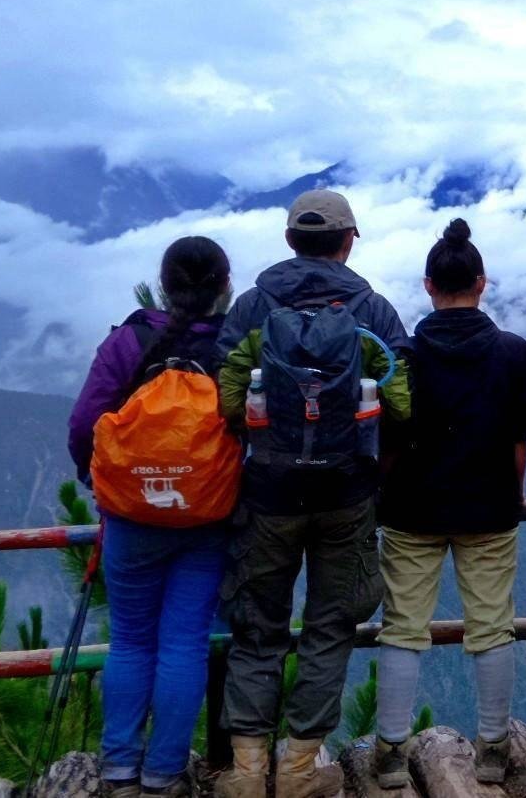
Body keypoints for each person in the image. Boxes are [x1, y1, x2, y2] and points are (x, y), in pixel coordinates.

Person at [213, 190, 412, 798]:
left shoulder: (252, 305)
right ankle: (300, 769)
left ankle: (247, 773)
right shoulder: (372, 309)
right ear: (348, 240)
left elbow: (222, 403)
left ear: (289, 240)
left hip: (268, 493)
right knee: (330, 626)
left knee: (257, 626)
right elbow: (403, 403)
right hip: (347, 492)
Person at [68, 236, 234, 798]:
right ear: (224, 285)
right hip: (207, 519)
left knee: (131, 641)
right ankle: (164, 772)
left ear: (163, 285)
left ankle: (118, 768)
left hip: (132, 520)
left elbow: (84, 425)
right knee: (185, 642)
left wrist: (104, 482)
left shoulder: (128, 342)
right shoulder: (231, 348)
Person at [372, 218, 526, 788]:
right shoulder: (514, 352)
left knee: (401, 627)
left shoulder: (405, 357)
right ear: (482, 283)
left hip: (413, 507)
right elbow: (519, 440)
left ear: (427, 285)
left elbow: (389, 442)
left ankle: (389, 753)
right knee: (492, 625)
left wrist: (386, 492)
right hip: (488, 504)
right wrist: (512, 497)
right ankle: (492, 748)